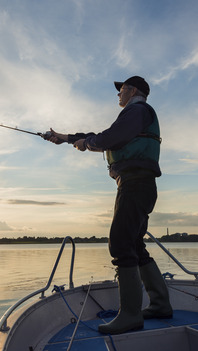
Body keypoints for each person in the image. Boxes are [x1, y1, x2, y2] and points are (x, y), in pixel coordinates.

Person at [43, 76, 172, 335]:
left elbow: (110, 137)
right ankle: (159, 305)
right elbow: (105, 136)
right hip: (138, 184)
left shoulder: (137, 110)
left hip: (135, 184)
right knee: (134, 244)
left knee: (121, 243)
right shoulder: (137, 114)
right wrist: (66, 138)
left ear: (133, 90)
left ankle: (131, 315)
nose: (118, 95)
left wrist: (88, 144)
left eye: (121, 89)